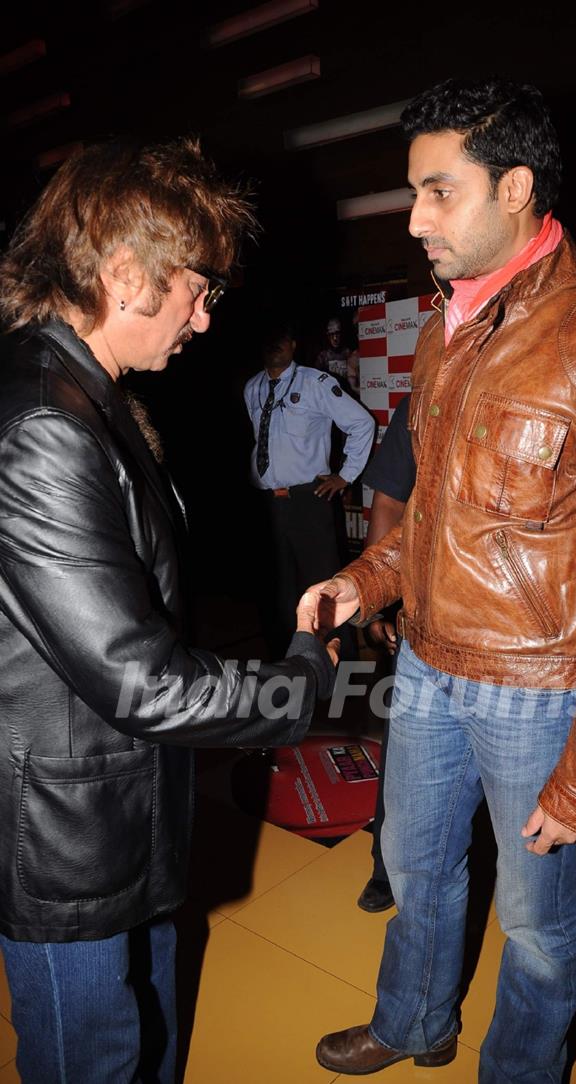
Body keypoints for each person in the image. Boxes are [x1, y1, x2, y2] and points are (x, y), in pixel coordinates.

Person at [309, 77, 576, 1081]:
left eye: (438, 191)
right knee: (417, 872)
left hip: (539, 693)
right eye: (411, 192)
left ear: (516, 186)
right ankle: (415, 1019)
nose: (413, 217)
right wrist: (362, 580)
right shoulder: (445, 335)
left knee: (535, 920)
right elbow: (427, 519)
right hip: (430, 668)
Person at [0, 138, 337, 1084]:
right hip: (65, 841)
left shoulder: (89, 394)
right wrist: (299, 680)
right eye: (199, 288)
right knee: (94, 1057)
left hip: (118, 809)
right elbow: (140, 677)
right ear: (122, 273)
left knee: (149, 1028)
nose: (204, 314)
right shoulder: (43, 424)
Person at [244, 322, 374, 657]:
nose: (275, 346)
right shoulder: (252, 387)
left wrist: (345, 476)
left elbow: (362, 424)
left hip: (308, 500)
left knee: (325, 590)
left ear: (293, 343)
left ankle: (342, 666)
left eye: (281, 339)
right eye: (268, 340)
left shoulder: (315, 383)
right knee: (279, 591)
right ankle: (290, 664)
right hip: (268, 505)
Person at [357, 394, 415, 914]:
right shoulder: (422, 402)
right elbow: (390, 500)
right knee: (401, 761)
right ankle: (386, 868)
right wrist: (376, 602)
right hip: (424, 625)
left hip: (520, 639)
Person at [315, 315, 359, 391]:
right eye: (331, 334)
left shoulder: (349, 354)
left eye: (337, 333)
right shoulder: (323, 356)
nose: (335, 338)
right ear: (327, 335)